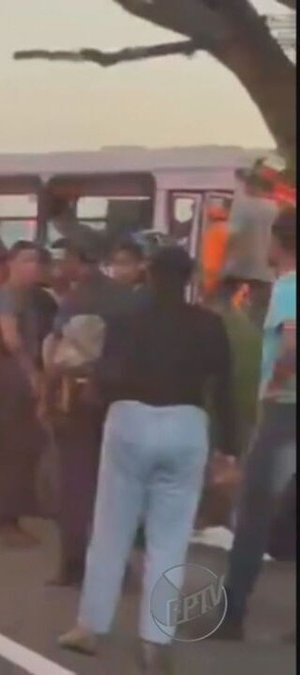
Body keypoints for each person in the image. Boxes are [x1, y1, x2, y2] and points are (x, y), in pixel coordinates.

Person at [58, 246, 236, 672]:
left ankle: (89, 626)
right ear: (189, 278)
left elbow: (103, 378)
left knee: (111, 528)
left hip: (130, 420)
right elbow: (223, 390)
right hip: (187, 424)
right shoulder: (209, 325)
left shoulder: (125, 321)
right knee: (169, 538)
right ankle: (156, 639)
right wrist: (230, 449)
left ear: (149, 276)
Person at [214, 210, 297, 642]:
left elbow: (292, 346)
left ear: (279, 242)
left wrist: (274, 389)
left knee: (254, 513)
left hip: (285, 412)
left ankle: (231, 614)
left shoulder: (289, 287)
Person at [42, 233, 141, 586]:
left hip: (77, 399)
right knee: (114, 487)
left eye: (65, 257)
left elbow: (57, 357)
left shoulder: (75, 300)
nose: (59, 265)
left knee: (74, 484)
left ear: (79, 260)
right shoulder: (127, 299)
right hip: (118, 400)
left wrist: (46, 399)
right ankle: (119, 568)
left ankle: (72, 564)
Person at [0, 241, 53, 547]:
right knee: (12, 448)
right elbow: (12, 339)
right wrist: (32, 374)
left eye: (37, 261)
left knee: (27, 445)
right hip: (12, 379)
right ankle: (6, 518)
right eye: (26, 260)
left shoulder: (36, 297)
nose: (33, 267)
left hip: (23, 377)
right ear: (12, 262)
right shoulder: (8, 295)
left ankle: (20, 506)